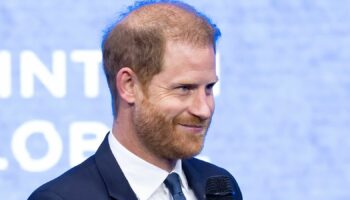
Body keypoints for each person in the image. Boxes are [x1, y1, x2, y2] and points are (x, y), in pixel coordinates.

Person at [28, 0, 242, 199]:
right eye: (184, 88)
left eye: (209, 88)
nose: (204, 109)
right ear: (129, 85)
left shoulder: (219, 186)